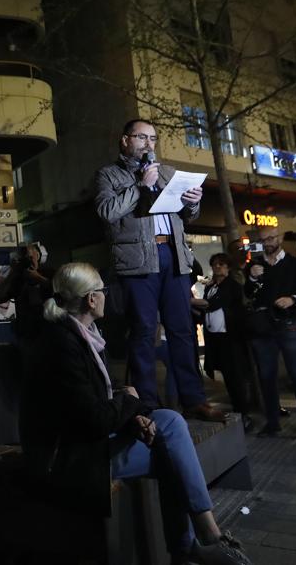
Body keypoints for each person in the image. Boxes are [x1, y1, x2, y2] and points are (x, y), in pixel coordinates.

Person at [19, 262, 251, 565]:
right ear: (91, 299)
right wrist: (129, 402)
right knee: (172, 453)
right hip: (69, 458)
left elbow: (105, 398)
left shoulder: (83, 334)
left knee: (170, 422)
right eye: (102, 290)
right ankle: (200, 541)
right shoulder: (61, 344)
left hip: (89, 442)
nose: (106, 295)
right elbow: (95, 419)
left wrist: (134, 414)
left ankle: (198, 542)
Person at [93, 119, 225, 422]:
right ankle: (147, 404)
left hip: (174, 257)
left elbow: (187, 216)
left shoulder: (167, 172)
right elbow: (107, 212)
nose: (148, 144)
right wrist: (140, 185)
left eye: (153, 138)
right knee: (143, 331)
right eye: (142, 137)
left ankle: (194, 400)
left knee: (183, 331)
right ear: (125, 140)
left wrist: (194, 203)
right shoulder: (109, 174)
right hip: (137, 261)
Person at [245, 227, 296, 442]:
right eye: (263, 240)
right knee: (266, 376)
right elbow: (248, 293)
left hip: (289, 325)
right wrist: (252, 278)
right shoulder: (255, 264)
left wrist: (293, 299)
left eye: (270, 238)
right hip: (263, 328)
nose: (267, 243)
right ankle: (272, 423)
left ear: (279, 238)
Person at [193, 253, 255, 431]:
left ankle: (244, 413)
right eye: (215, 264)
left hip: (231, 338)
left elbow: (213, 304)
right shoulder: (211, 287)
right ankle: (239, 411)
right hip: (216, 338)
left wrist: (191, 300)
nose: (218, 267)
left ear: (228, 267)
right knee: (228, 377)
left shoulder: (232, 286)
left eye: (221, 264)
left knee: (236, 377)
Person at [0, 242, 52, 344]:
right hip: (26, 334)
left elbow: (58, 289)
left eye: (31, 257)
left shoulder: (48, 274)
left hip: (47, 332)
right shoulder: (19, 279)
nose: (28, 260)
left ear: (38, 256)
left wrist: (38, 277)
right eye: (26, 258)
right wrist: (13, 272)